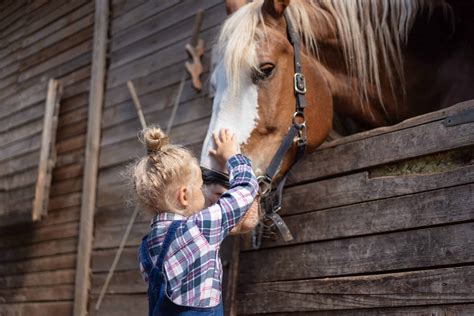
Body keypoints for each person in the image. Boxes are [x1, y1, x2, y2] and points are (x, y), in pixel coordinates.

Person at [131, 126, 258, 315]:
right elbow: (247, 188)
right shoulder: (200, 227)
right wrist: (232, 156)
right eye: (200, 187)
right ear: (184, 196)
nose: (204, 193)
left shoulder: (146, 248)